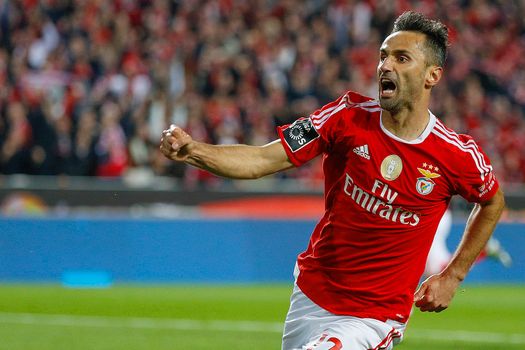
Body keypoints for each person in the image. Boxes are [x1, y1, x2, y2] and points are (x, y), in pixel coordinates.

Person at [160, 11, 505, 350]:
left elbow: (492, 201)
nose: (386, 66)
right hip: (311, 295)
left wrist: (453, 275)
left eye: (402, 58)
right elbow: (263, 158)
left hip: (372, 318)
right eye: (383, 56)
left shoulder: (455, 154)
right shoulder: (345, 117)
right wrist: (194, 151)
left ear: (432, 75)